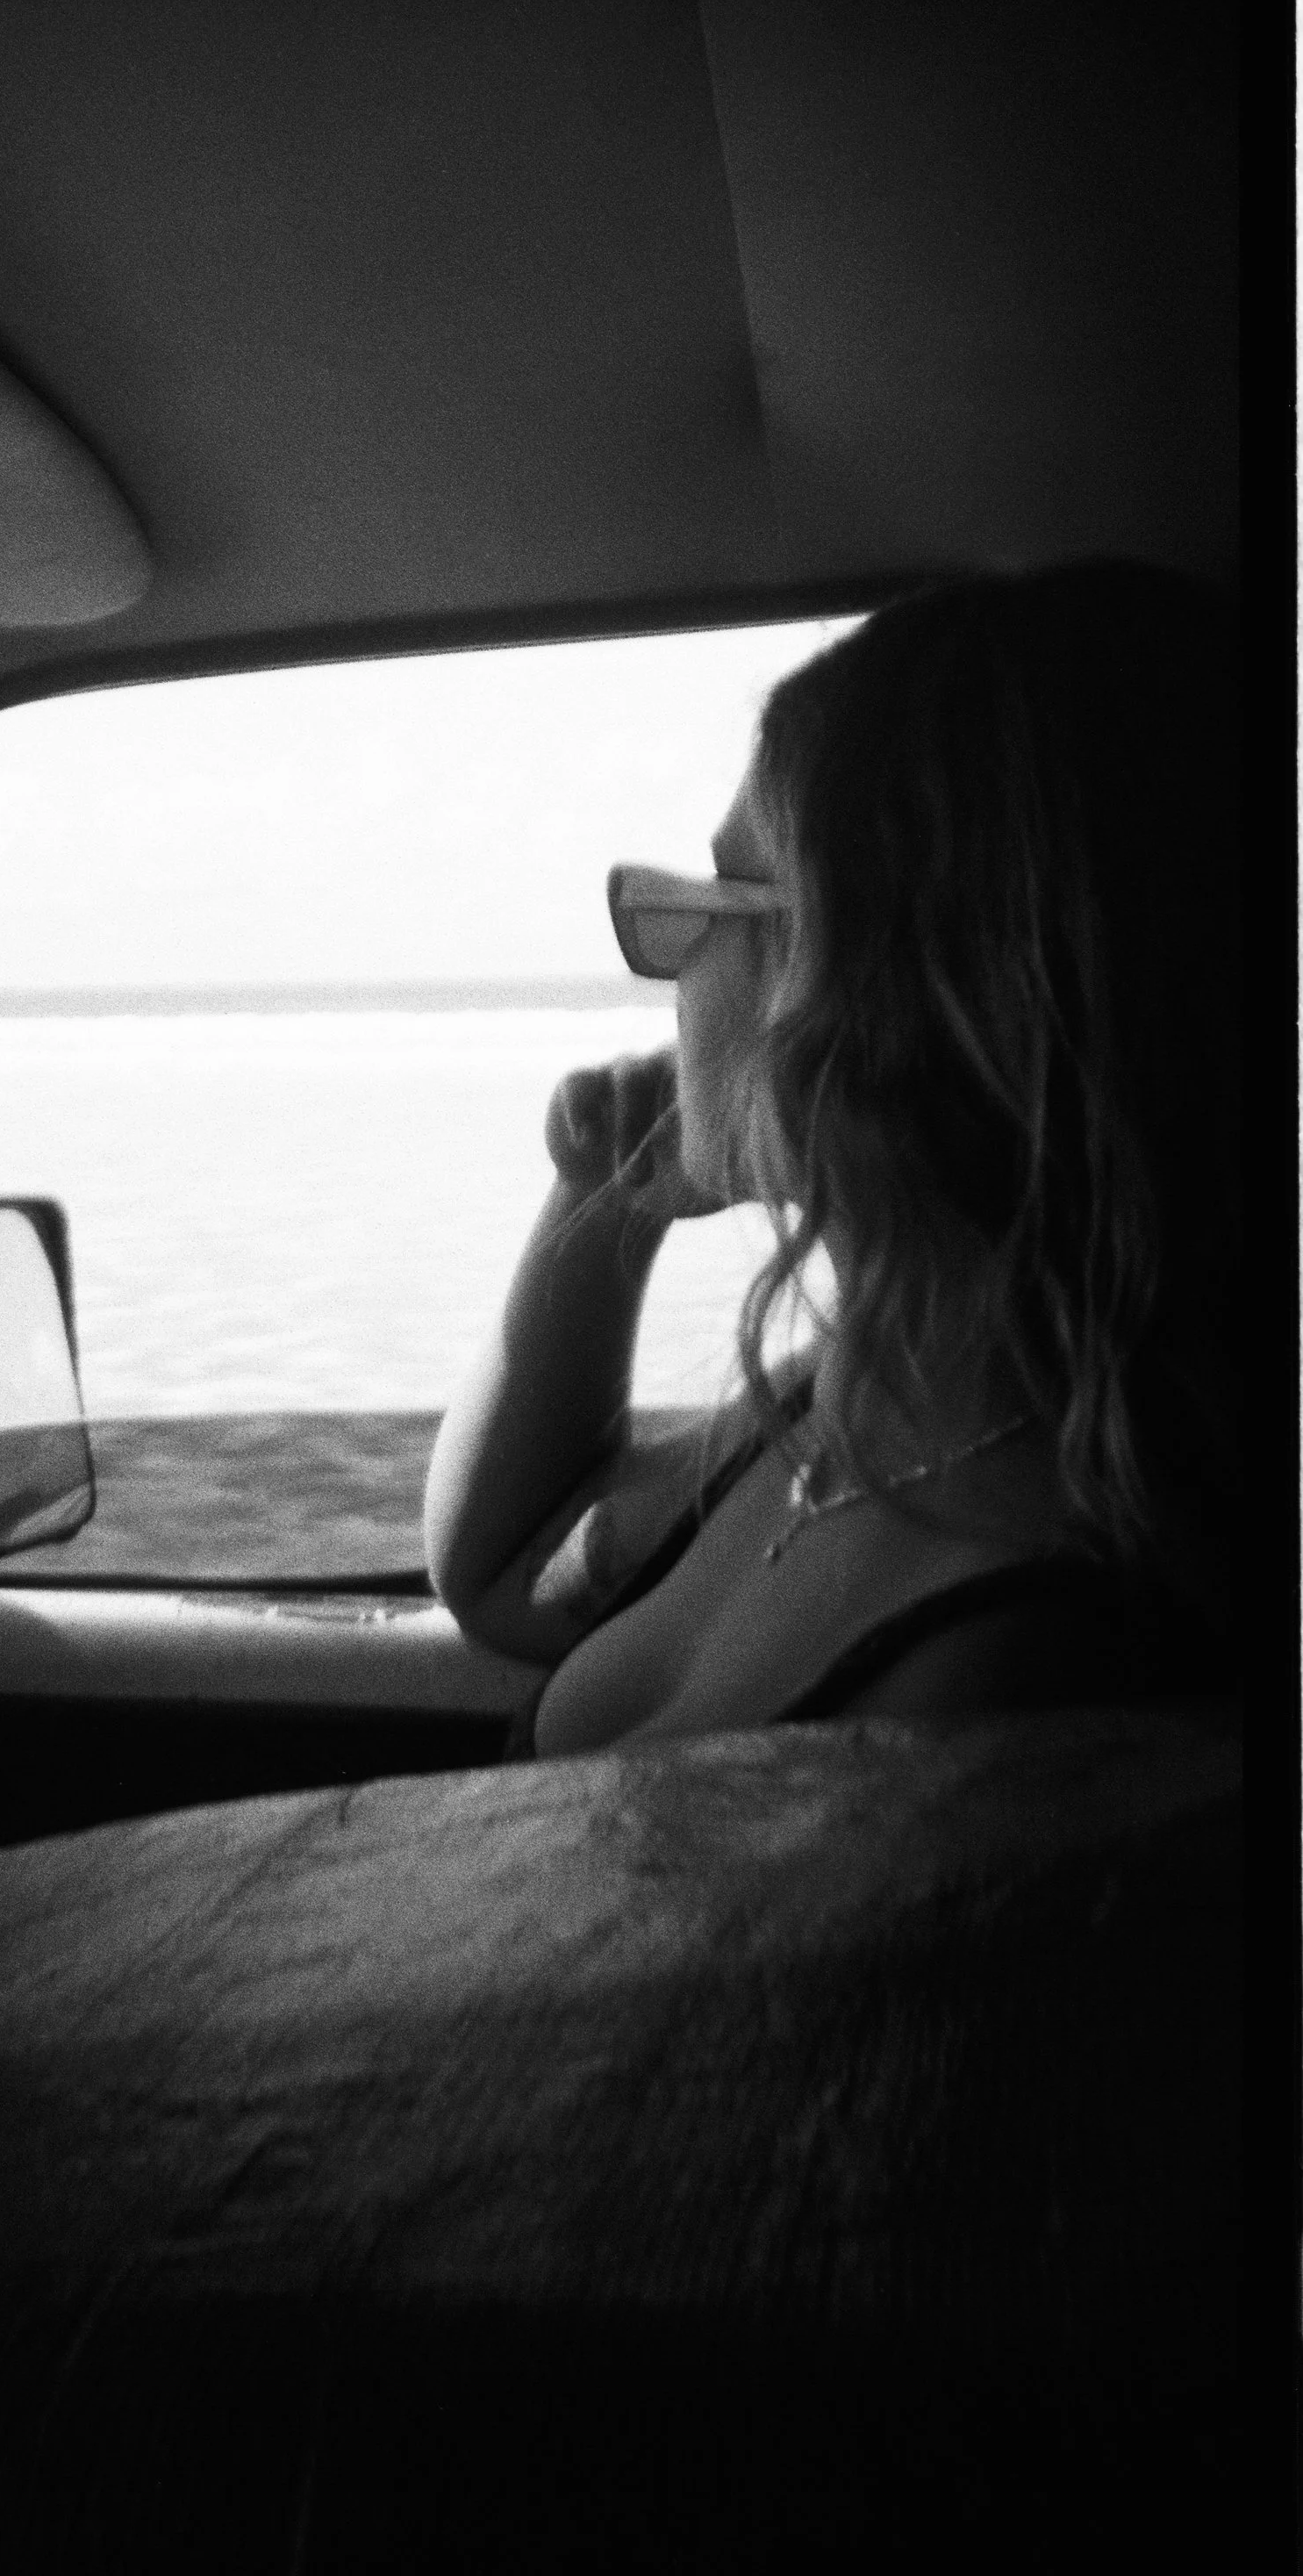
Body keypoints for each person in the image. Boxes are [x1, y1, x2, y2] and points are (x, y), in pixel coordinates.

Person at [423, 561, 1240, 1752]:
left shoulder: (1019, 1669)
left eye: (716, 895)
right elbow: (504, 1570)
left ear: (867, 992)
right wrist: (604, 1204)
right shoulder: (860, 1398)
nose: (673, 959)